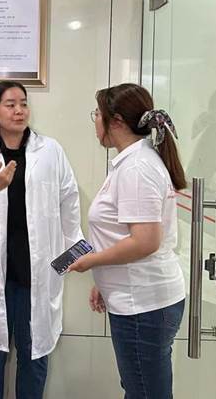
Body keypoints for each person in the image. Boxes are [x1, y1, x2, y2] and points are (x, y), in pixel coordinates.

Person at [0, 81, 83, 399]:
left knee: (34, 355)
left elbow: (70, 201)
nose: (19, 110)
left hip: (37, 274)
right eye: (10, 104)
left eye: (23, 103)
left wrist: (73, 255)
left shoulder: (50, 150)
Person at [69, 83, 186, 399]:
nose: (95, 121)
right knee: (141, 387)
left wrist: (92, 262)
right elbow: (124, 235)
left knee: (145, 391)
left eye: (97, 114)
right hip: (138, 297)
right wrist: (104, 279)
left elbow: (145, 242)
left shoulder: (137, 167)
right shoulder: (133, 161)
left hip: (143, 303)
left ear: (117, 121)